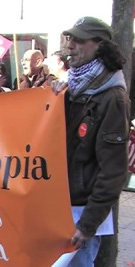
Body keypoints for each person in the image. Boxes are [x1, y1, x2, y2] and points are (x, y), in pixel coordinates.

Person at [52, 16, 130, 266]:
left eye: (79, 40)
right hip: (59, 209)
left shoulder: (112, 98)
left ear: (99, 45)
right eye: (69, 38)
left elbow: (114, 171)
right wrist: (53, 99)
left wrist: (87, 225)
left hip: (80, 217)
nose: (70, 45)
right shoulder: (73, 88)